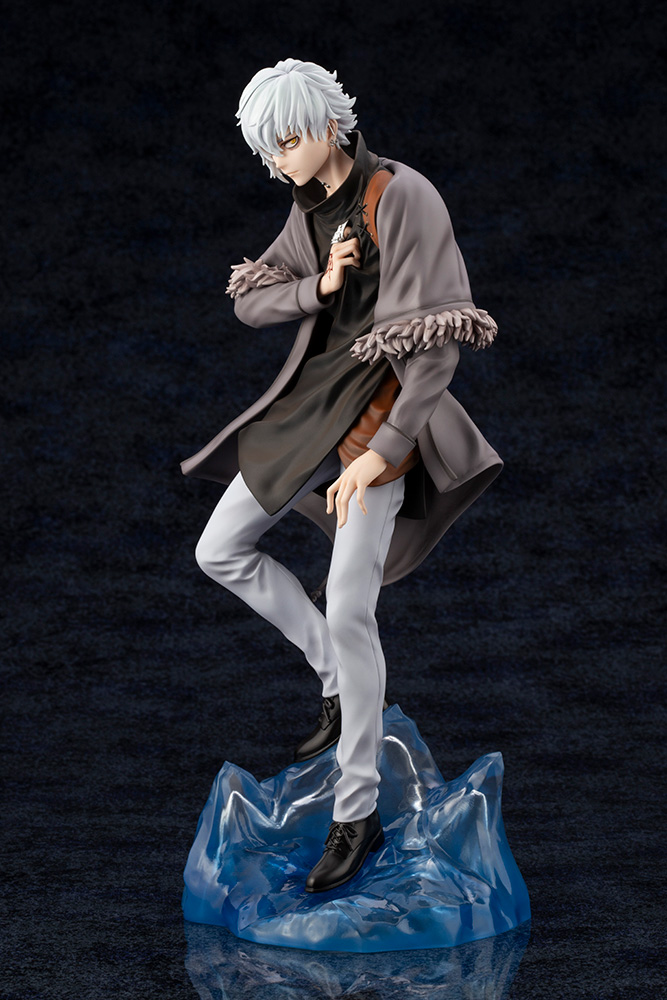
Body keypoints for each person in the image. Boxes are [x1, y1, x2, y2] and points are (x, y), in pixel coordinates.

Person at [181, 58, 503, 893]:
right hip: (309, 416)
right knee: (219, 550)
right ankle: (333, 680)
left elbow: (436, 344)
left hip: (376, 425)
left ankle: (355, 813)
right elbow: (250, 299)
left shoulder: (403, 196)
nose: (278, 160)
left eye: (286, 141)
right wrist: (316, 287)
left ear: (328, 124)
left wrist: (381, 451)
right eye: (268, 149)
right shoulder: (310, 205)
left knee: (353, 610)